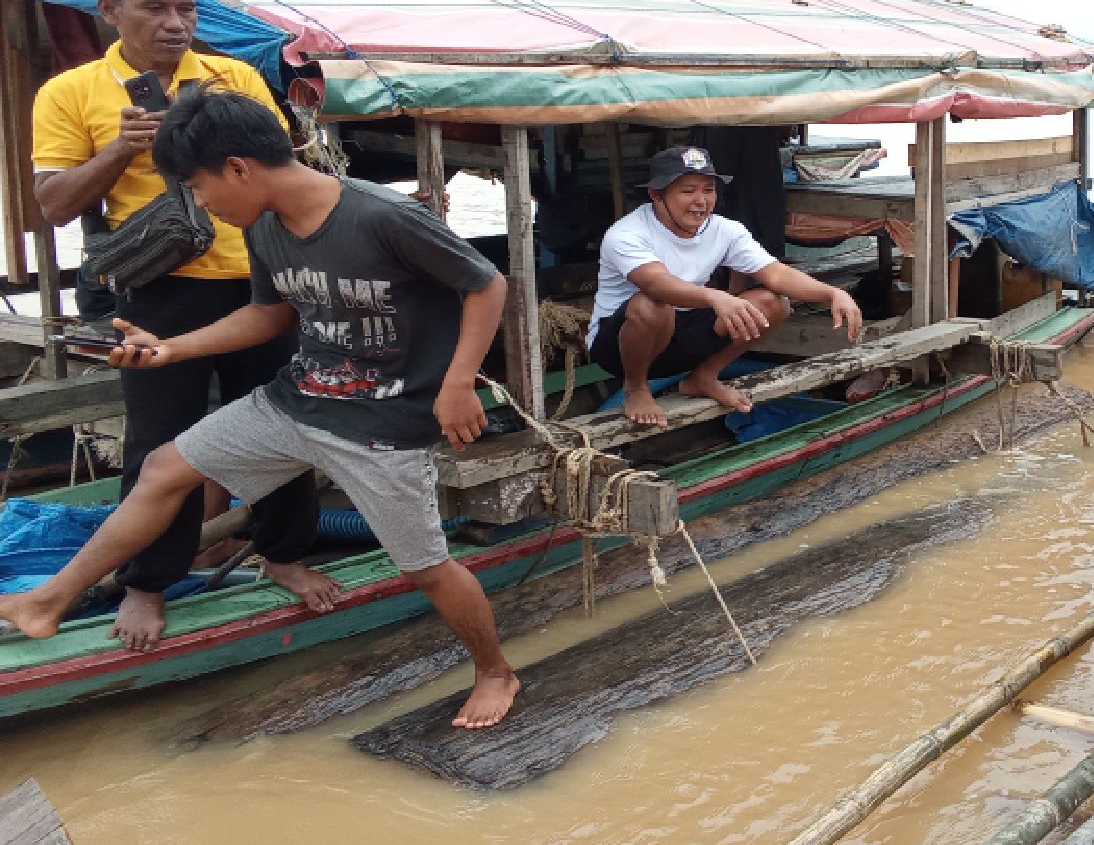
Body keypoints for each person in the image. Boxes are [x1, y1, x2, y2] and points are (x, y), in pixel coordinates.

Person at [1, 89, 520, 727]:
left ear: (239, 168)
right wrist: (169, 349)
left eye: (199, 186)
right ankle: (49, 599)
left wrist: (457, 382)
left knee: (427, 568)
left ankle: (496, 671)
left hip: (381, 424)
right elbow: (267, 314)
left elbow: (485, 282)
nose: (204, 204)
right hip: (296, 400)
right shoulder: (267, 228)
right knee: (165, 468)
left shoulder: (380, 216)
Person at [31, 0, 320, 651]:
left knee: (285, 420)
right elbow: (54, 205)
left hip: (256, 277)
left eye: (185, 8)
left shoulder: (233, 77)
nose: (174, 23)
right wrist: (119, 152)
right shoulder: (71, 92)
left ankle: (283, 553)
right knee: (159, 438)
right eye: (154, 8)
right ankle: (146, 582)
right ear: (110, 13)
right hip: (158, 290)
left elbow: (279, 173)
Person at [587, 145, 863, 428]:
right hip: (621, 347)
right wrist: (716, 297)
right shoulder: (627, 233)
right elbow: (657, 284)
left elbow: (776, 274)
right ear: (656, 194)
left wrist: (832, 293)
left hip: (683, 333)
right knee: (652, 304)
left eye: (708, 190)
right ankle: (636, 389)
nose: (701, 201)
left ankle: (704, 377)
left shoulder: (725, 230)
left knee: (773, 302)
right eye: (688, 191)